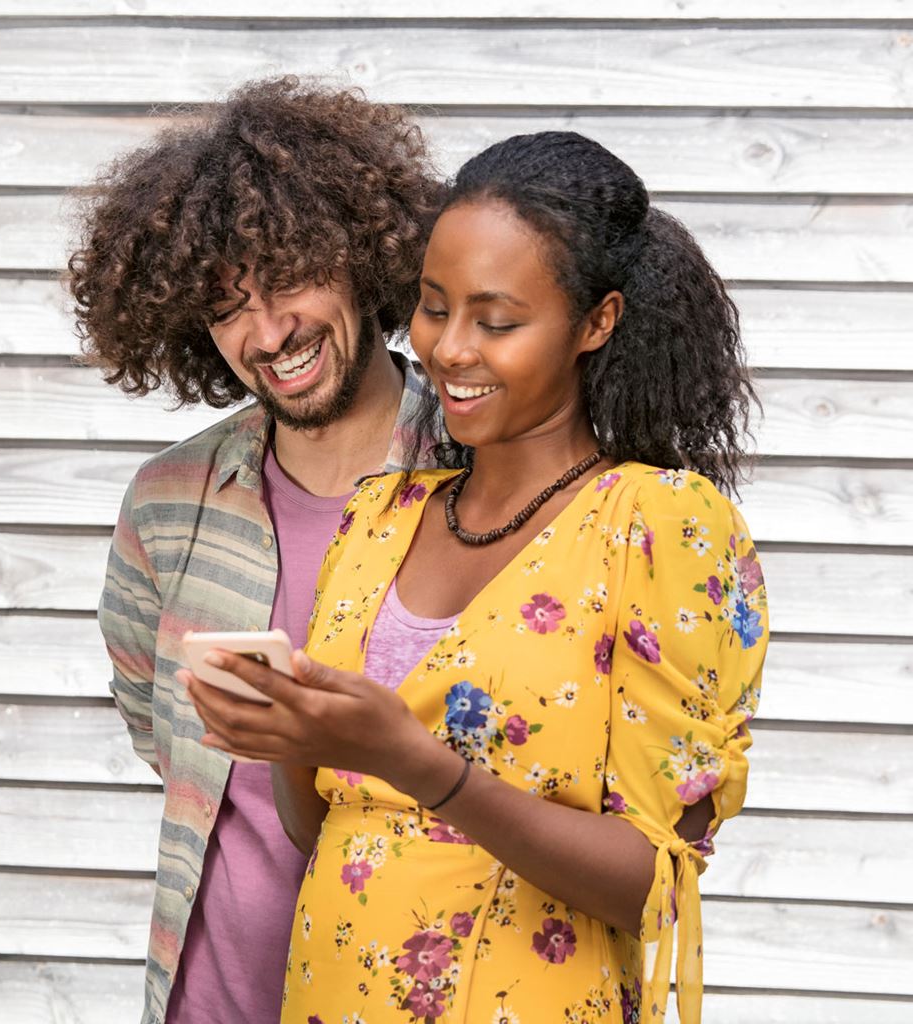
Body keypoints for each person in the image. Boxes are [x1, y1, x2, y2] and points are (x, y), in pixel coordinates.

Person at [186, 130, 769, 1024]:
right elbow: (326, 827)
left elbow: (653, 883)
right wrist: (290, 731)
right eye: (431, 307)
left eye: (496, 321)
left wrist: (423, 766)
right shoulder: (377, 520)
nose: (451, 349)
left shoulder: (660, 527)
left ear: (597, 322)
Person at [67, 76, 442, 1024]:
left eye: (288, 283)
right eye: (228, 306)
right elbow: (164, 738)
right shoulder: (167, 505)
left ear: (365, 257)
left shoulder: (490, 475)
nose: (267, 333)